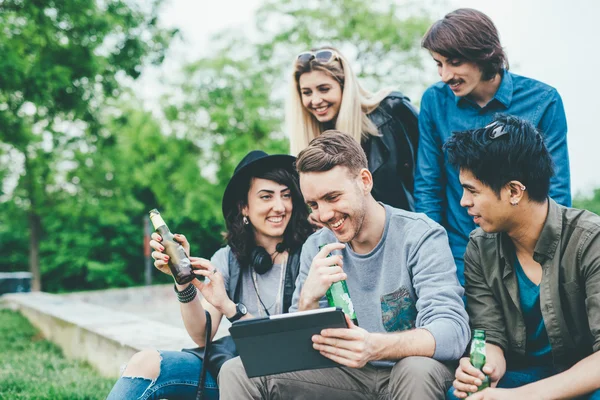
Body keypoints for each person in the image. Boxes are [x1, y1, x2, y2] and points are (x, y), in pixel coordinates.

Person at [218, 131, 469, 400]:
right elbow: (298, 351)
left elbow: (452, 331)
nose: (323, 215)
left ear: (364, 181)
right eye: (313, 204)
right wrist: (307, 301)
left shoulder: (420, 235)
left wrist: (375, 346)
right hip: (348, 376)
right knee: (237, 370)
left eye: (333, 197)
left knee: (416, 369)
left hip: (408, 368)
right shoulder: (316, 247)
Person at [106, 151, 313, 400]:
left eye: (286, 196)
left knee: (234, 371)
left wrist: (229, 307)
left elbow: (291, 346)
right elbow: (200, 333)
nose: (279, 207)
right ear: (244, 207)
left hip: (286, 376)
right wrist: (182, 280)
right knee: (145, 362)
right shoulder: (227, 258)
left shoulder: (309, 253)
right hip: (233, 369)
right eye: (266, 197)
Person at [444, 115, 600, 400]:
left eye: (472, 191)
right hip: (524, 375)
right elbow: (491, 336)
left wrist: (522, 397)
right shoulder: (479, 247)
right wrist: (483, 370)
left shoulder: (590, 241)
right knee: (460, 394)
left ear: (514, 191)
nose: (464, 202)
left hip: (584, 378)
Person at [415, 8, 571, 285]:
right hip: (458, 253)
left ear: (484, 55)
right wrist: (431, 255)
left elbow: (555, 188)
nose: (445, 75)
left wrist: (548, 256)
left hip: (527, 253)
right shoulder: (434, 102)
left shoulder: (544, 100)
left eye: (454, 62)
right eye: (438, 64)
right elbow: (428, 185)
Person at [288, 46, 419, 212]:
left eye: (324, 89)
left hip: (410, 228)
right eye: (306, 92)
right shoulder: (315, 142)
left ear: (345, 87)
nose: (315, 100)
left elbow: (430, 176)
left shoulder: (392, 111)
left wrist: (428, 228)